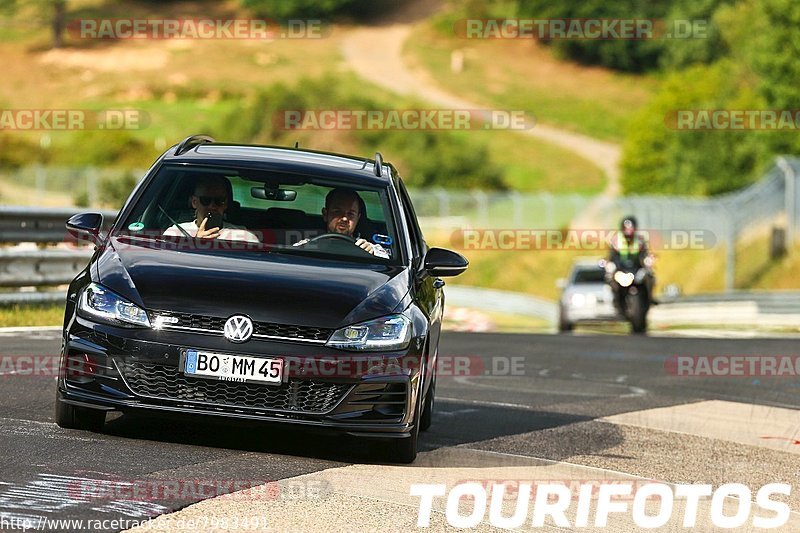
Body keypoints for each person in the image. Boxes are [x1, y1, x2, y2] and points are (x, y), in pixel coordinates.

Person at [294, 188, 389, 258]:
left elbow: (389, 264)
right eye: (337, 212)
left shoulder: (369, 248)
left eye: (350, 214)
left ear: (358, 218)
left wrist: (372, 253)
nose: (344, 218)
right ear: (325, 215)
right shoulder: (308, 244)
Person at [163, 175, 259, 243]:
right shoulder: (175, 234)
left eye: (219, 201)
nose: (212, 206)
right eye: (205, 200)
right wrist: (194, 244)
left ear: (226, 204)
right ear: (194, 202)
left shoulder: (244, 237)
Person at [606, 216, 655, 312]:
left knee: (650, 277)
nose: (629, 231)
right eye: (626, 228)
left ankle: (649, 298)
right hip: (621, 270)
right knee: (610, 279)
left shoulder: (640, 240)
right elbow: (612, 257)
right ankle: (616, 300)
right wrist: (610, 265)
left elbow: (645, 254)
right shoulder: (616, 241)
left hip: (636, 269)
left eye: (631, 228)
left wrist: (648, 260)